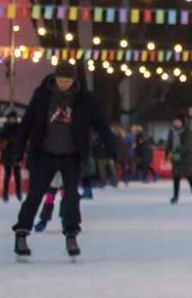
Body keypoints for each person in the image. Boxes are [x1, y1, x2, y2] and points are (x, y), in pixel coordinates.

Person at [7, 61, 119, 261]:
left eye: (67, 80)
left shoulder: (85, 99)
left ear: (74, 80)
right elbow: (27, 124)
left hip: (71, 155)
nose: (63, 84)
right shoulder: (42, 95)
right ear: (55, 78)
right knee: (36, 194)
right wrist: (18, 149)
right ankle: (22, 233)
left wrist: (112, 149)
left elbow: (101, 124)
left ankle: (71, 235)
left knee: (71, 197)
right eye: (60, 80)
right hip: (44, 153)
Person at [168, 116, 192, 204]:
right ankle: (175, 196)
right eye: (175, 121)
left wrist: (176, 151)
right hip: (176, 156)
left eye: (178, 122)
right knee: (176, 177)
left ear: (182, 122)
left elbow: (188, 145)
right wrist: (167, 153)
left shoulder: (187, 131)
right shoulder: (172, 131)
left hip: (186, 157)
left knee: (190, 177)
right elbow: (169, 143)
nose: (176, 123)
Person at [0, 108, 23, 201]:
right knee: (7, 175)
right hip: (7, 154)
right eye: (10, 118)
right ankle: (5, 193)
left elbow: (20, 139)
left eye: (13, 118)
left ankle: (18, 192)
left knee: (17, 175)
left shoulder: (19, 127)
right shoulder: (5, 126)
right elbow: (1, 136)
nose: (11, 120)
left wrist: (10, 140)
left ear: (16, 118)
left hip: (16, 154)